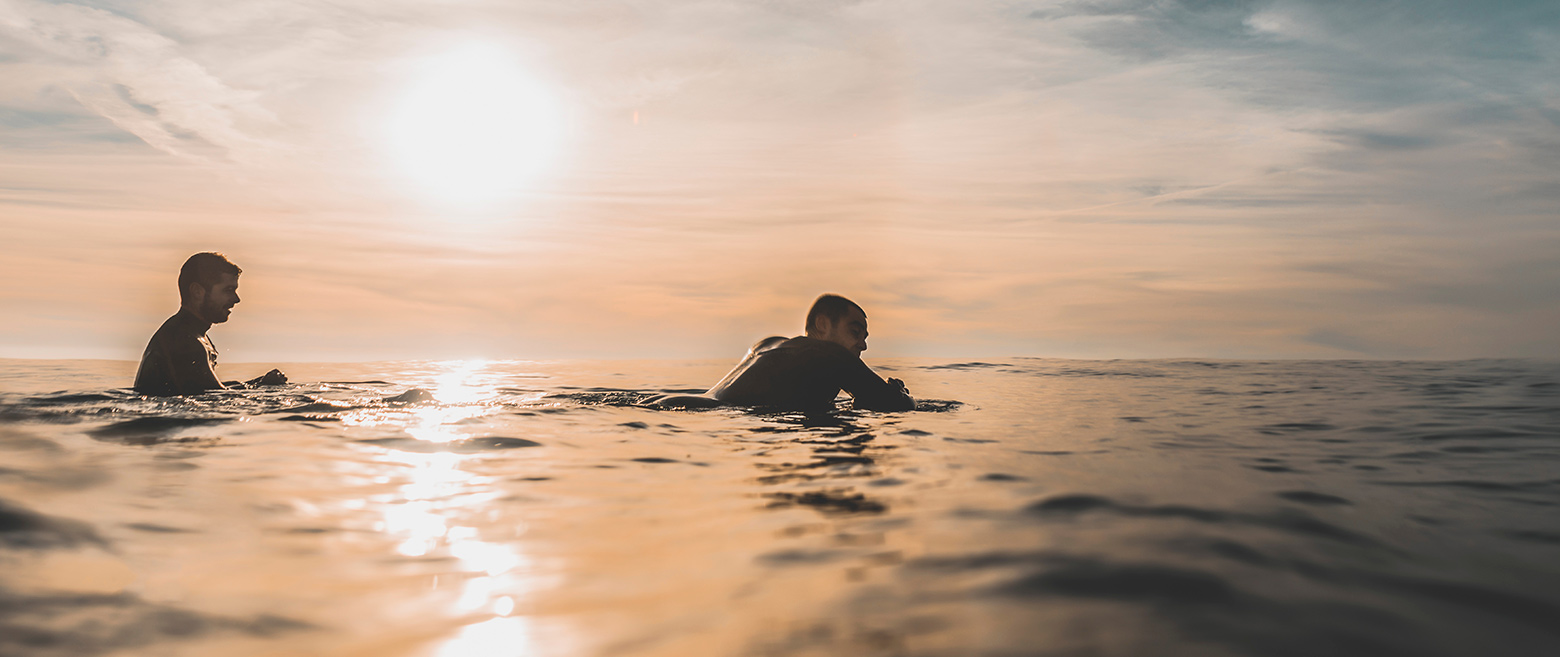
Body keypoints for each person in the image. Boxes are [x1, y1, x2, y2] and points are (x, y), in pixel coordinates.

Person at [660, 294, 914, 411]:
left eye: (865, 338)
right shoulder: (831, 355)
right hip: (701, 414)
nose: (863, 345)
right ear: (823, 324)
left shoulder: (769, 343)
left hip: (681, 403)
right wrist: (900, 392)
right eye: (855, 332)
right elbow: (891, 404)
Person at [132, 252, 287, 396]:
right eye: (228, 290)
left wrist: (260, 383)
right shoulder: (185, 342)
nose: (236, 299)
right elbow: (216, 399)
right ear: (197, 292)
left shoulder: (190, 335)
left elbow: (209, 389)